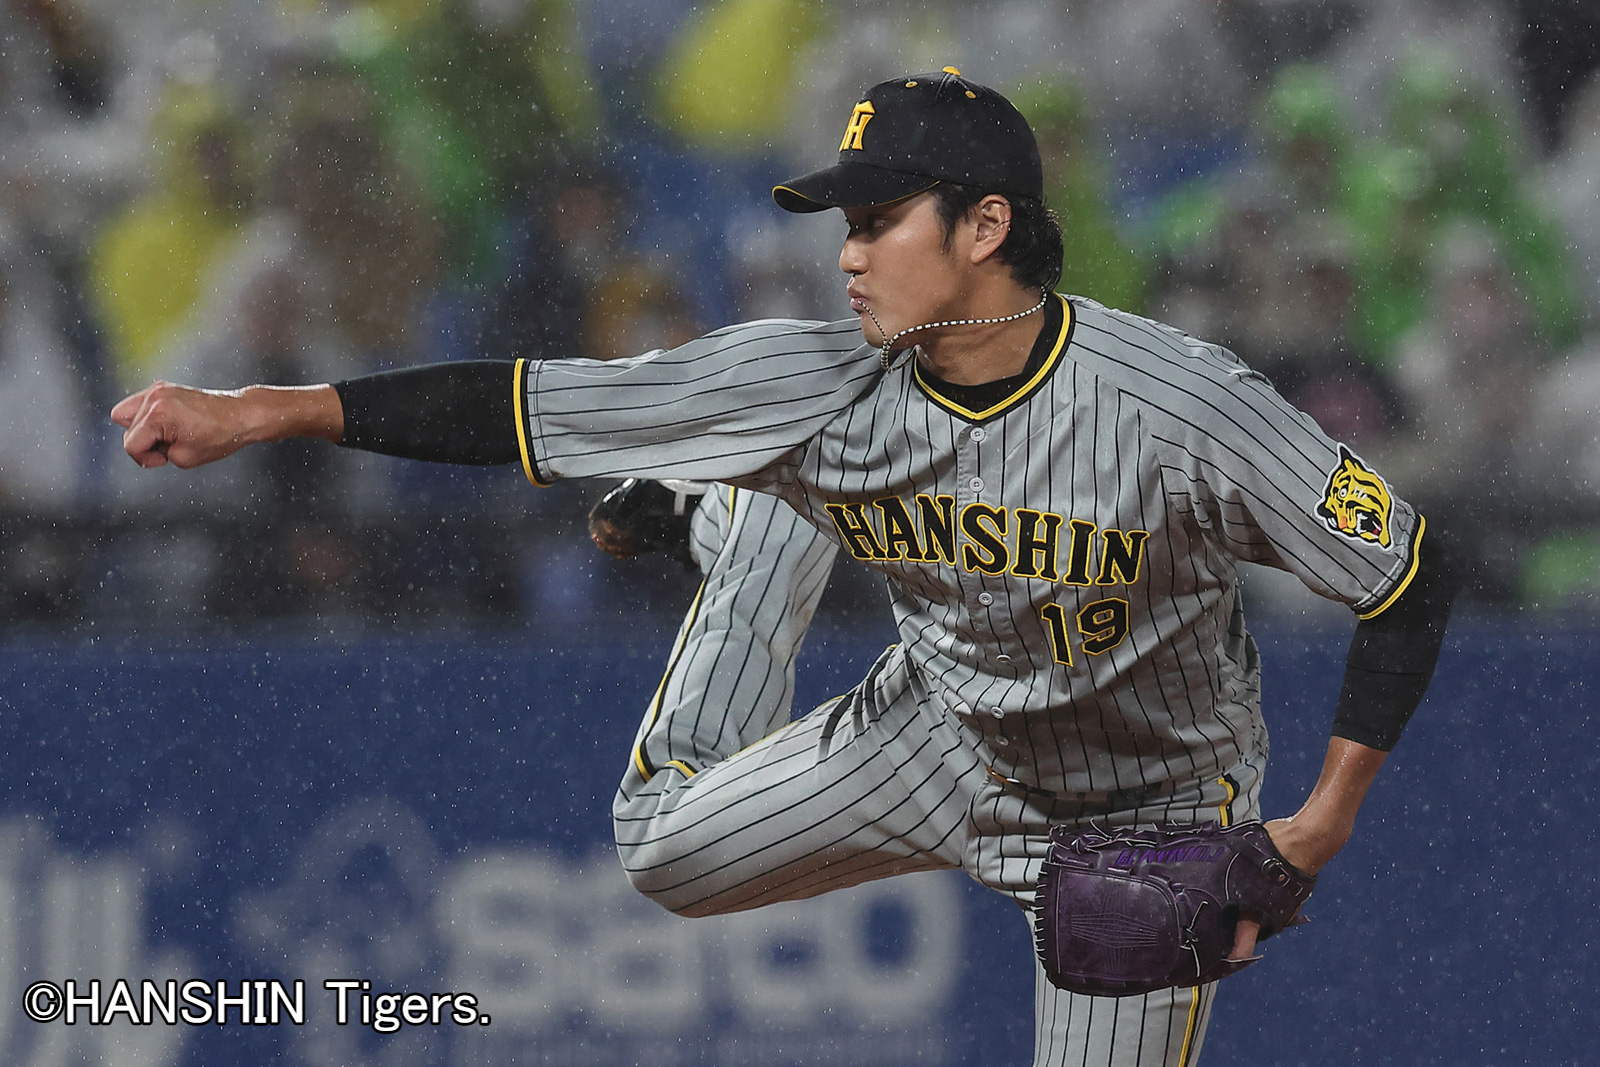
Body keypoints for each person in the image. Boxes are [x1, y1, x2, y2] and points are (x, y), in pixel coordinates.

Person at [112, 69, 1456, 1066]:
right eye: (842, 223)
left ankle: (744, 507)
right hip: (942, 728)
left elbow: (1404, 576)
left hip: (1143, 807)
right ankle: (753, 525)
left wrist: (1317, 825)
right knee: (663, 853)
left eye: (880, 219)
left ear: (986, 226)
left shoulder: (1179, 407)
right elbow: (524, 405)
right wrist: (263, 410)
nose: (849, 253)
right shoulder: (813, 376)